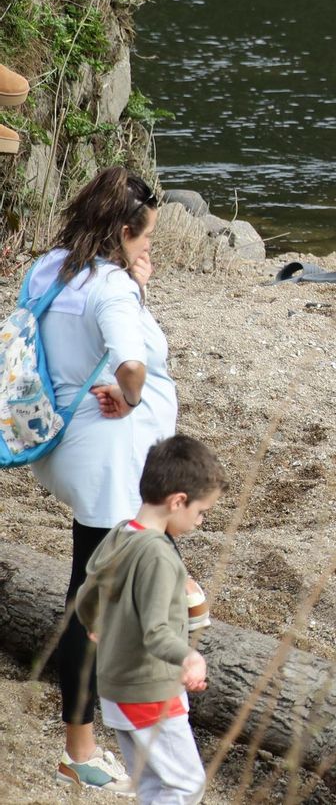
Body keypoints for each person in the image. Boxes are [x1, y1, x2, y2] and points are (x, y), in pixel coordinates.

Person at [27, 167, 173, 793]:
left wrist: (134, 287)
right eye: (145, 240)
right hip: (107, 460)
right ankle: (80, 747)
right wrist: (131, 396)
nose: (149, 251)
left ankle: (132, 709)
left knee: (116, 579)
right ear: (121, 230)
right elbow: (131, 364)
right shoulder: (110, 287)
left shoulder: (49, 266)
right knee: (90, 603)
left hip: (57, 443)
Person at [74, 435, 223, 805]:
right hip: (149, 688)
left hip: (116, 686)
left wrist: (94, 622)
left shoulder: (121, 532)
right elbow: (156, 632)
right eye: (201, 512)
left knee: (152, 785)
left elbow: (86, 591)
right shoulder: (157, 555)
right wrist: (189, 657)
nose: (200, 522)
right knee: (185, 786)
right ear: (177, 501)